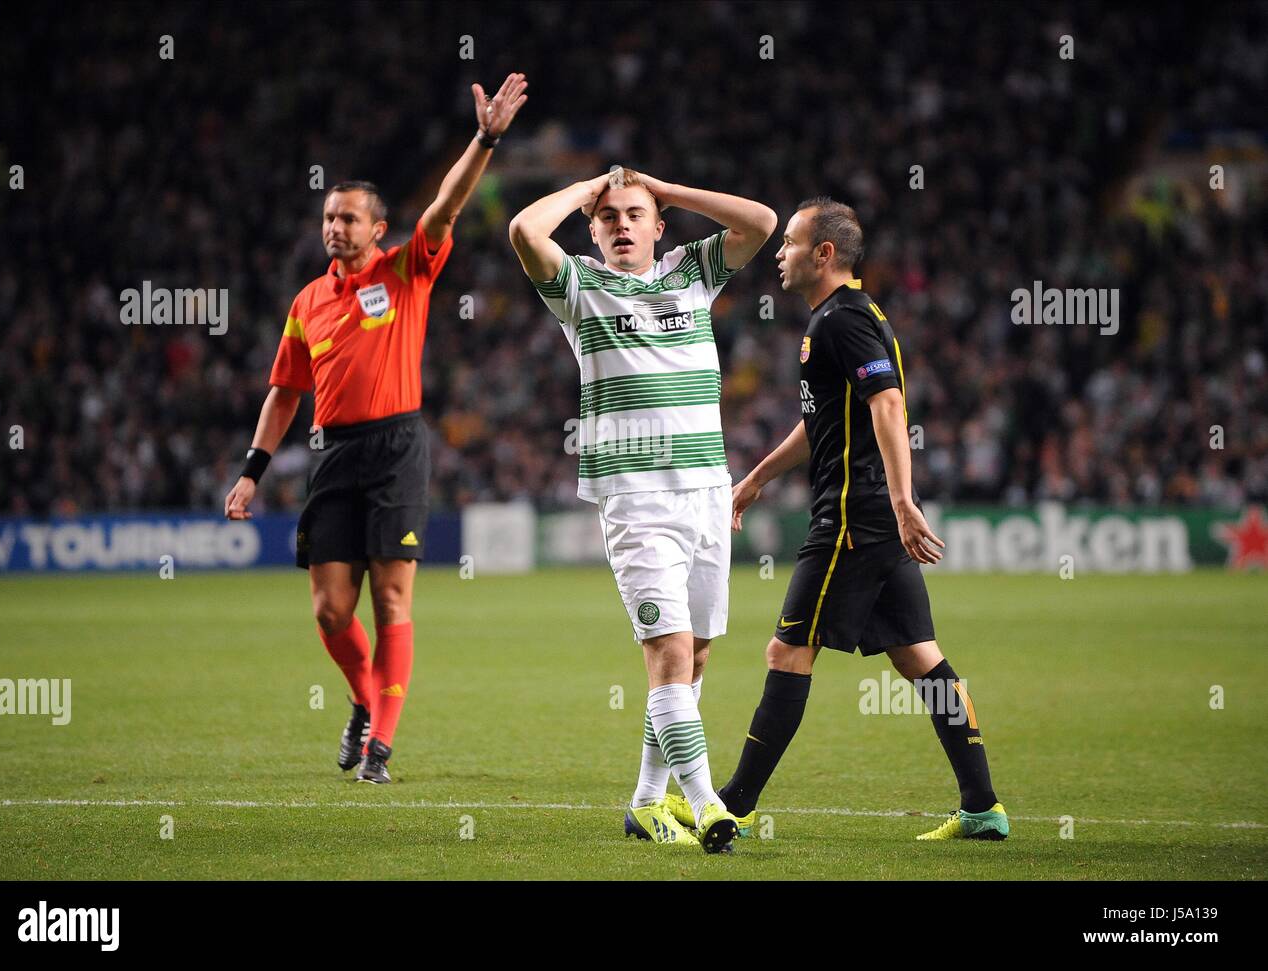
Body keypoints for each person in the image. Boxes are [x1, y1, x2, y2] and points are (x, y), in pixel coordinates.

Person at [223, 74, 529, 784]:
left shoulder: (406, 272)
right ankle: (364, 702)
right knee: (332, 612)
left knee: (391, 597)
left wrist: (484, 138)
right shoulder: (308, 302)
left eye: (350, 218)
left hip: (396, 448)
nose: (336, 227)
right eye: (330, 217)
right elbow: (283, 394)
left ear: (378, 228)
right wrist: (250, 469)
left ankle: (380, 747)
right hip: (333, 456)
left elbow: (448, 206)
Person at [720, 198, 1009, 841]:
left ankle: (732, 804)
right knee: (919, 659)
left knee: (788, 651)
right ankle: (983, 807)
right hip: (874, 516)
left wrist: (905, 502)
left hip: (854, 517)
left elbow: (887, 405)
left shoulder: (841, 321)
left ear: (824, 254)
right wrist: (757, 479)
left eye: (789, 242)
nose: (779, 253)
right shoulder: (849, 316)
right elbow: (822, 420)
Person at [509, 167, 776, 851]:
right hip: (636, 499)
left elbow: (763, 222)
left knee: (698, 658)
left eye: (635, 215)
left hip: (708, 491)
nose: (622, 224)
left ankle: (646, 802)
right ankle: (708, 802)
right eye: (607, 218)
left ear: (660, 227)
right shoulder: (580, 289)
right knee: (667, 657)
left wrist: (663, 187)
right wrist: (588, 187)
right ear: (593, 234)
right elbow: (523, 230)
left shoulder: (694, 272)